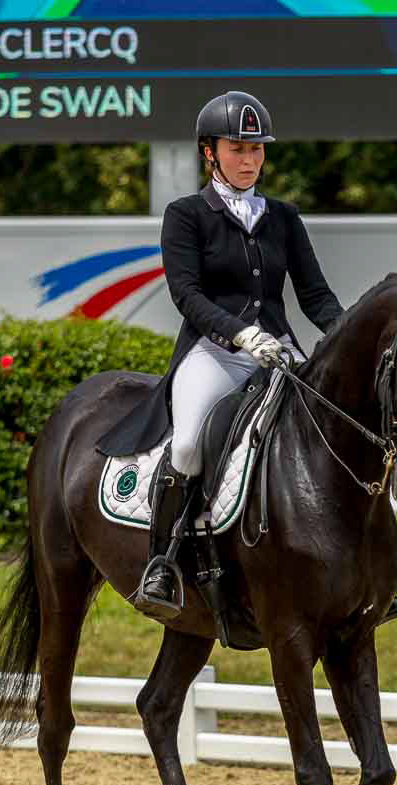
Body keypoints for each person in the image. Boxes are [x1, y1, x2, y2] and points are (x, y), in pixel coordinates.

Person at [97, 90, 344, 619]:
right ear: (209, 152)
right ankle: (162, 563)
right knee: (187, 445)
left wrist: (346, 336)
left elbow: (316, 295)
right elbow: (187, 295)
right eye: (238, 148)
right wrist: (239, 334)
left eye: (256, 149)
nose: (250, 159)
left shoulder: (283, 217)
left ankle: (352, 563)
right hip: (214, 352)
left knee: (331, 433)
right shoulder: (186, 215)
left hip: (277, 352)